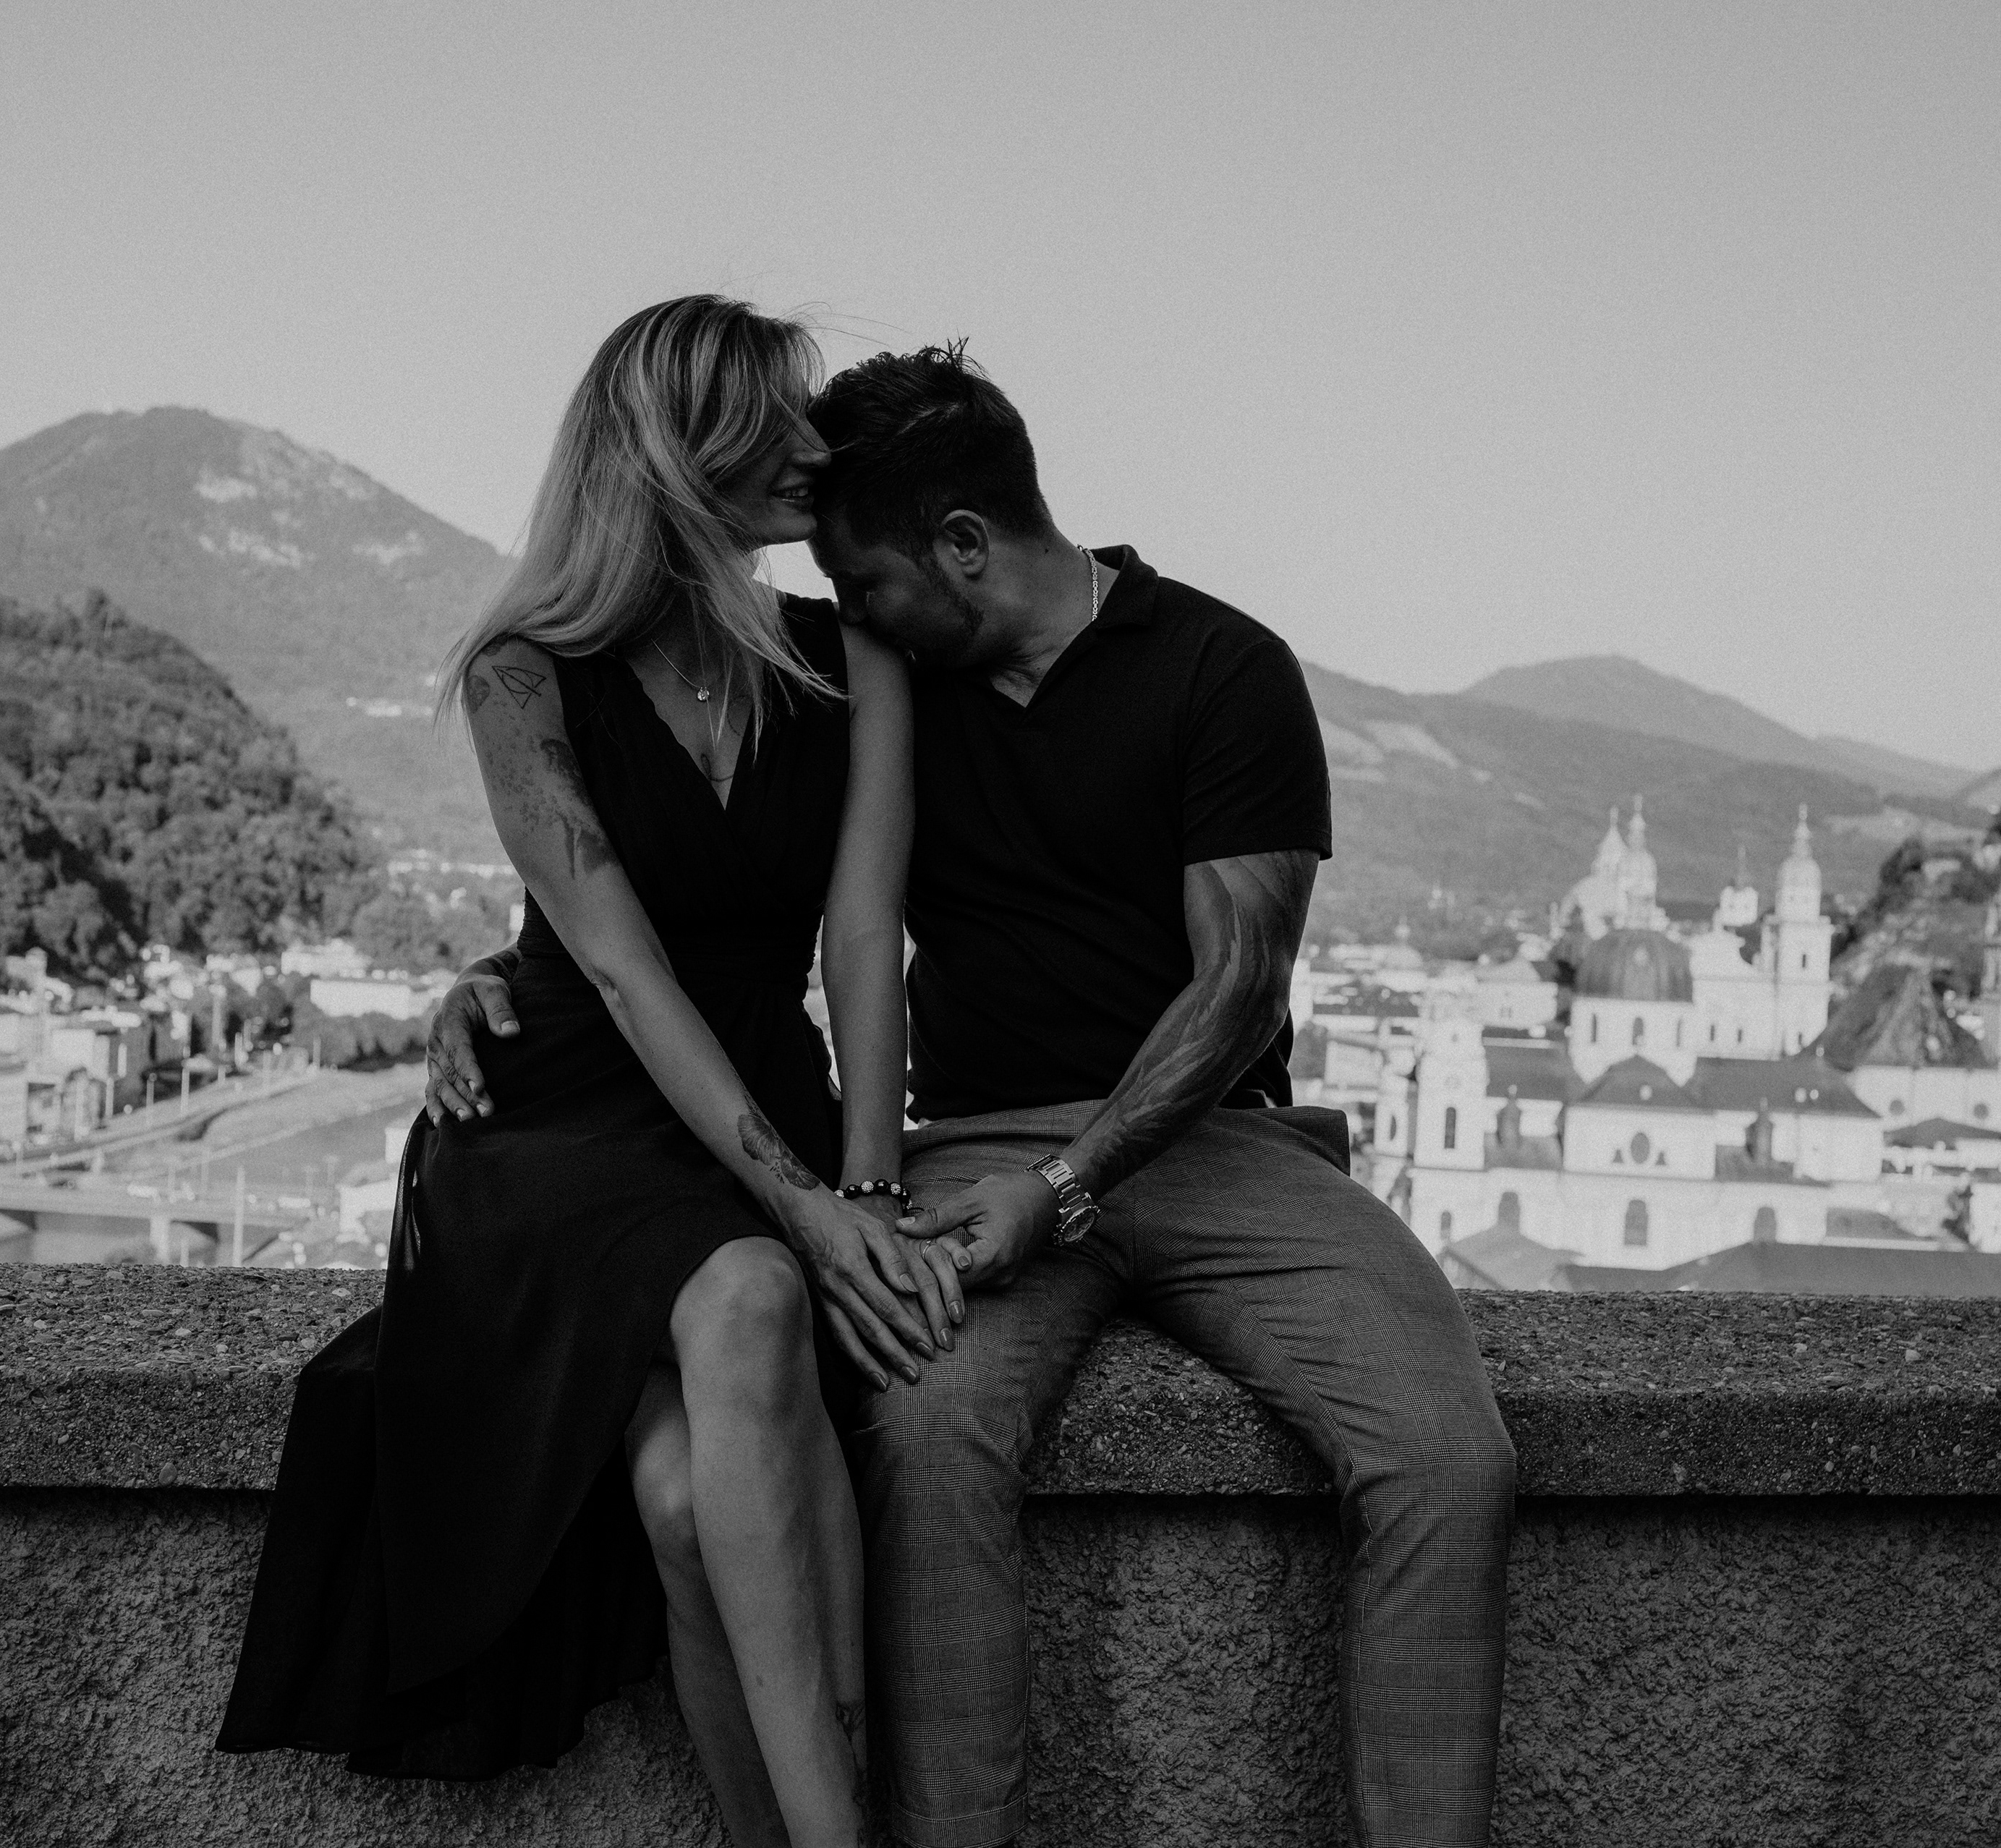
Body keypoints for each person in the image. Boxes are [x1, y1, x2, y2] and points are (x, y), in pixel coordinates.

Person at [425, 344, 1516, 1847]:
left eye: (864, 581)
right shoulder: (887, 676)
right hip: (973, 1145)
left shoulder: (1222, 669)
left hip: (1222, 1142)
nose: (845, 608)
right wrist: (501, 968)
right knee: (926, 1441)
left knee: (1452, 1457)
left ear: (959, 547)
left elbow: (1240, 985)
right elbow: (718, 873)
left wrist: (1067, 1188)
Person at [219, 296, 951, 1848]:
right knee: (748, 1293)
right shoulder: (522, 675)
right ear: (681, 451)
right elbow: (619, 969)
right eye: (774, 418)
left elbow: (862, 937)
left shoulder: (854, 658)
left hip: (755, 1091)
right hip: (561, 1118)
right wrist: (805, 1213)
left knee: (688, 1507)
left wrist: (871, 1190)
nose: (816, 446)